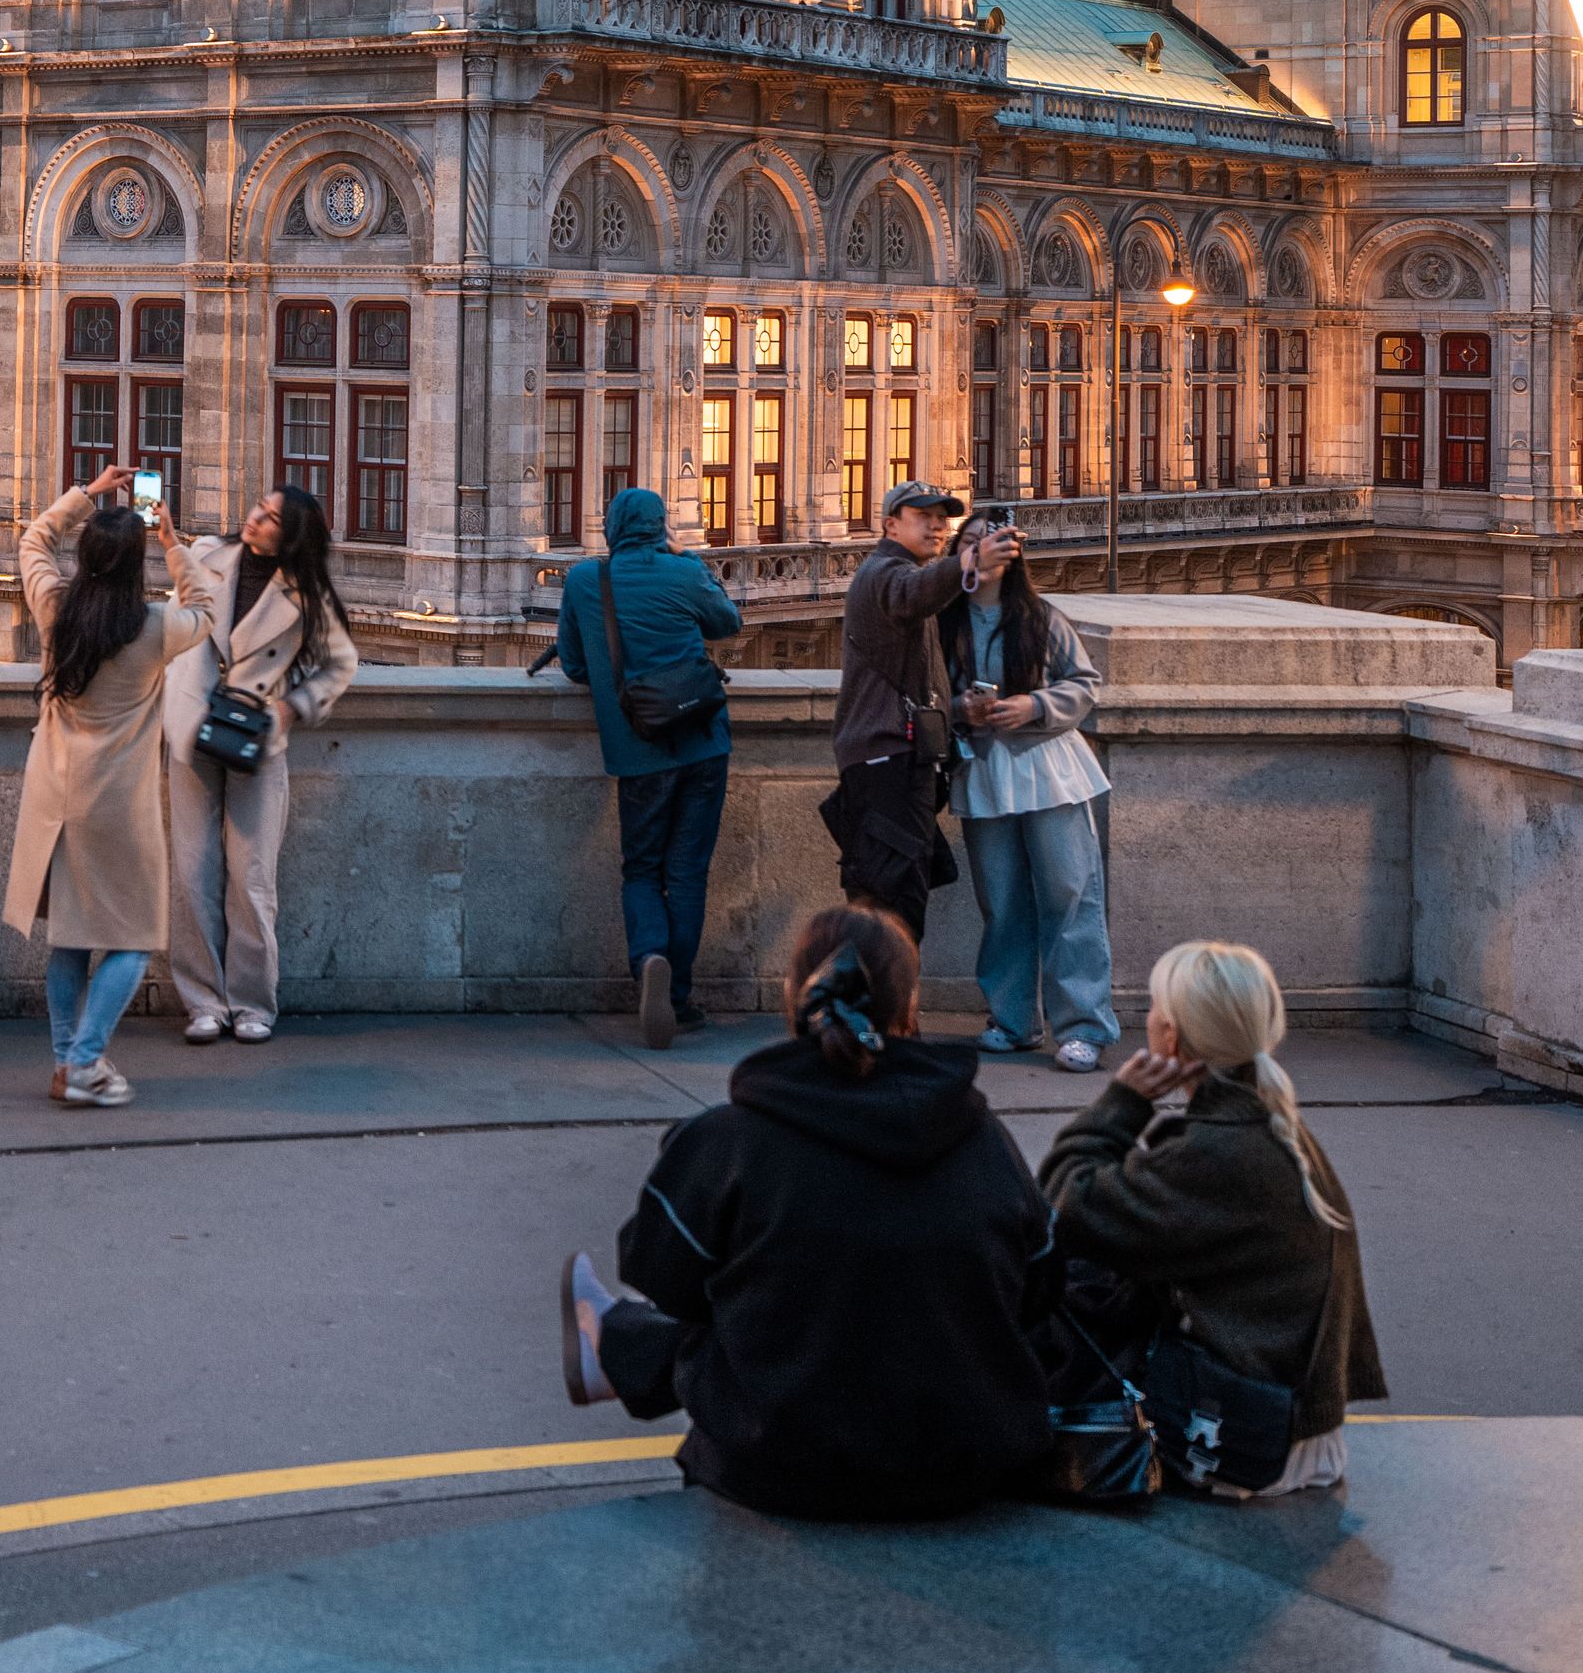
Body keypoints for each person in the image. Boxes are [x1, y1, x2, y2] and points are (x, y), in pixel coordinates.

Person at [559, 904, 1054, 1519]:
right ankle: (611, 1346)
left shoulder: (733, 1140)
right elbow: (1038, 1288)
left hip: (781, 1469)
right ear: (910, 1007)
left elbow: (660, 1272)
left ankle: (613, 1344)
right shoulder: (985, 1141)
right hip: (962, 1470)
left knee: (745, 1313)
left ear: (792, 996)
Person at [1036, 939, 1385, 1495]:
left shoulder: (1220, 1153)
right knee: (1092, 1275)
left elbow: (1064, 1204)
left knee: (1050, 1286)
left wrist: (1123, 1103)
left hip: (1248, 1441)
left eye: (1153, 1006)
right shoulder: (1269, 1124)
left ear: (1171, 1036)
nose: (1148, 1018)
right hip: (1289, 1424)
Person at [8, 468, 222, 1105]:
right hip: (118, 805)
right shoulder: (154, 629)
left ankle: (64, 1061)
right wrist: (172, 540)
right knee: (133, 937)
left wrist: (87, 493)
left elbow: (33, 541)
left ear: (85, 558)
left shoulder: (55, 608)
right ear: (134, 565)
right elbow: (206, 607)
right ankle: (85, 1063)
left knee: (70, 935)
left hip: (55, 794)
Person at [162, 483, 361, 1044]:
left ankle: (252, 1003)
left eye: (272, 518)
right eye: (259, 508)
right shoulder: (208, 555)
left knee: (251, 878)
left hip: (255, 740)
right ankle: (203, 1001)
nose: (256, 519)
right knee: (192, 874)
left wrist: (292, 707)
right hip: (193, 726)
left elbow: (341, 664)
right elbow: (176, 622)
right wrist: (170, 542)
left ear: (291, 536)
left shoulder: (306, 594)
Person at [549, 484, 742, 1047]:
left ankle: (649, 958)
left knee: (641, 869)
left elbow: (574, 665)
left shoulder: (586, 580)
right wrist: (691, 560)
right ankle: (677, 998)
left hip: (637, 750)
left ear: (611, 527)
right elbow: (727, 622)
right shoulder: (682, 573)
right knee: (687, 873)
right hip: (702, 742)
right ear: (661, 527)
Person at [943, 514, 1116, 1074]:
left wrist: (1034, 705)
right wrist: (961, 710)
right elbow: (930, 695)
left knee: (1069, 895)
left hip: (1050, 769)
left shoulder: (1041, 617)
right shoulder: (944, 623)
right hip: (985, 770)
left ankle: (1083, 1027)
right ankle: (1013, 1020)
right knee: (1001, 902)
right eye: (970, 541)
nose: (980, 550)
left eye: (990, 542)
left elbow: (1085, 684)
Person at [828, 485, 1007, 944]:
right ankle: (879, 989)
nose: (937, 525)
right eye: (923, 516)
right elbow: (912, 592)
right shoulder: (886, 573)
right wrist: (970, 561)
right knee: (894, 909)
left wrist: (957, 708)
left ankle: (875, 987)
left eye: (943, 518)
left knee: (889, 901)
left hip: (894, 761)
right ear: (890, 525)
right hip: (888, 763)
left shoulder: (901, 572)